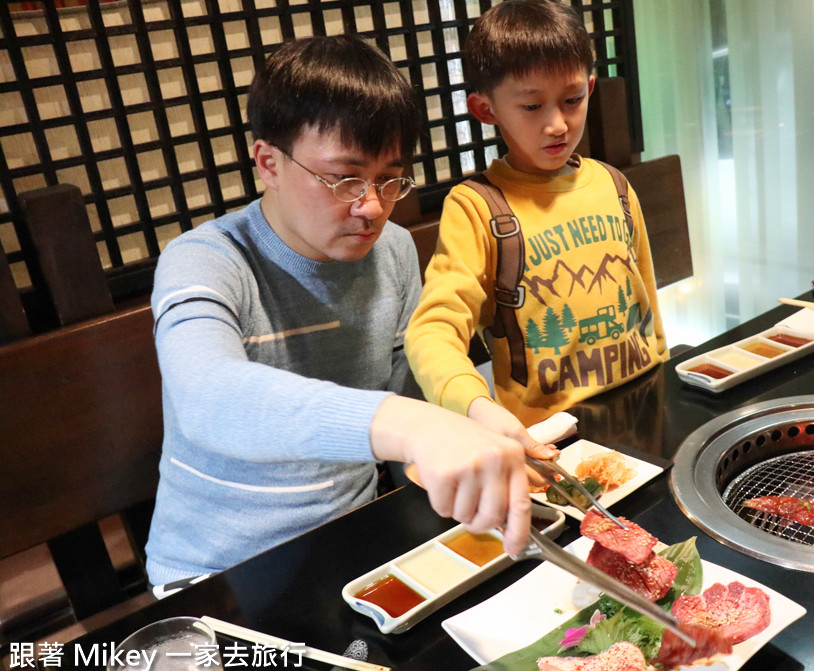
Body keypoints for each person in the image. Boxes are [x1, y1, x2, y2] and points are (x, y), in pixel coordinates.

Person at [145, 34, 536, 590]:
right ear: (268, 162)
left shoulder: (393, 249)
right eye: (345, 178)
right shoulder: (205, 260)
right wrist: (412, 425)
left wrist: (474, 416)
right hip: (218, 573)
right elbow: (204, 395)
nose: (371, 206)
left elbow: (412, 385)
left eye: (387, 179)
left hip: (356, 545)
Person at [405, 0, 669, 447]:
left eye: (572, 100)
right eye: (531, 106)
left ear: (589, 87)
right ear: (486, 110)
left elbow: (646, 303)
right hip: (551, 439)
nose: (557, 124)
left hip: (647, 409)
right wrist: (476, 405)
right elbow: (433, 329)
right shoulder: (476, 208)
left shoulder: (613, 184)